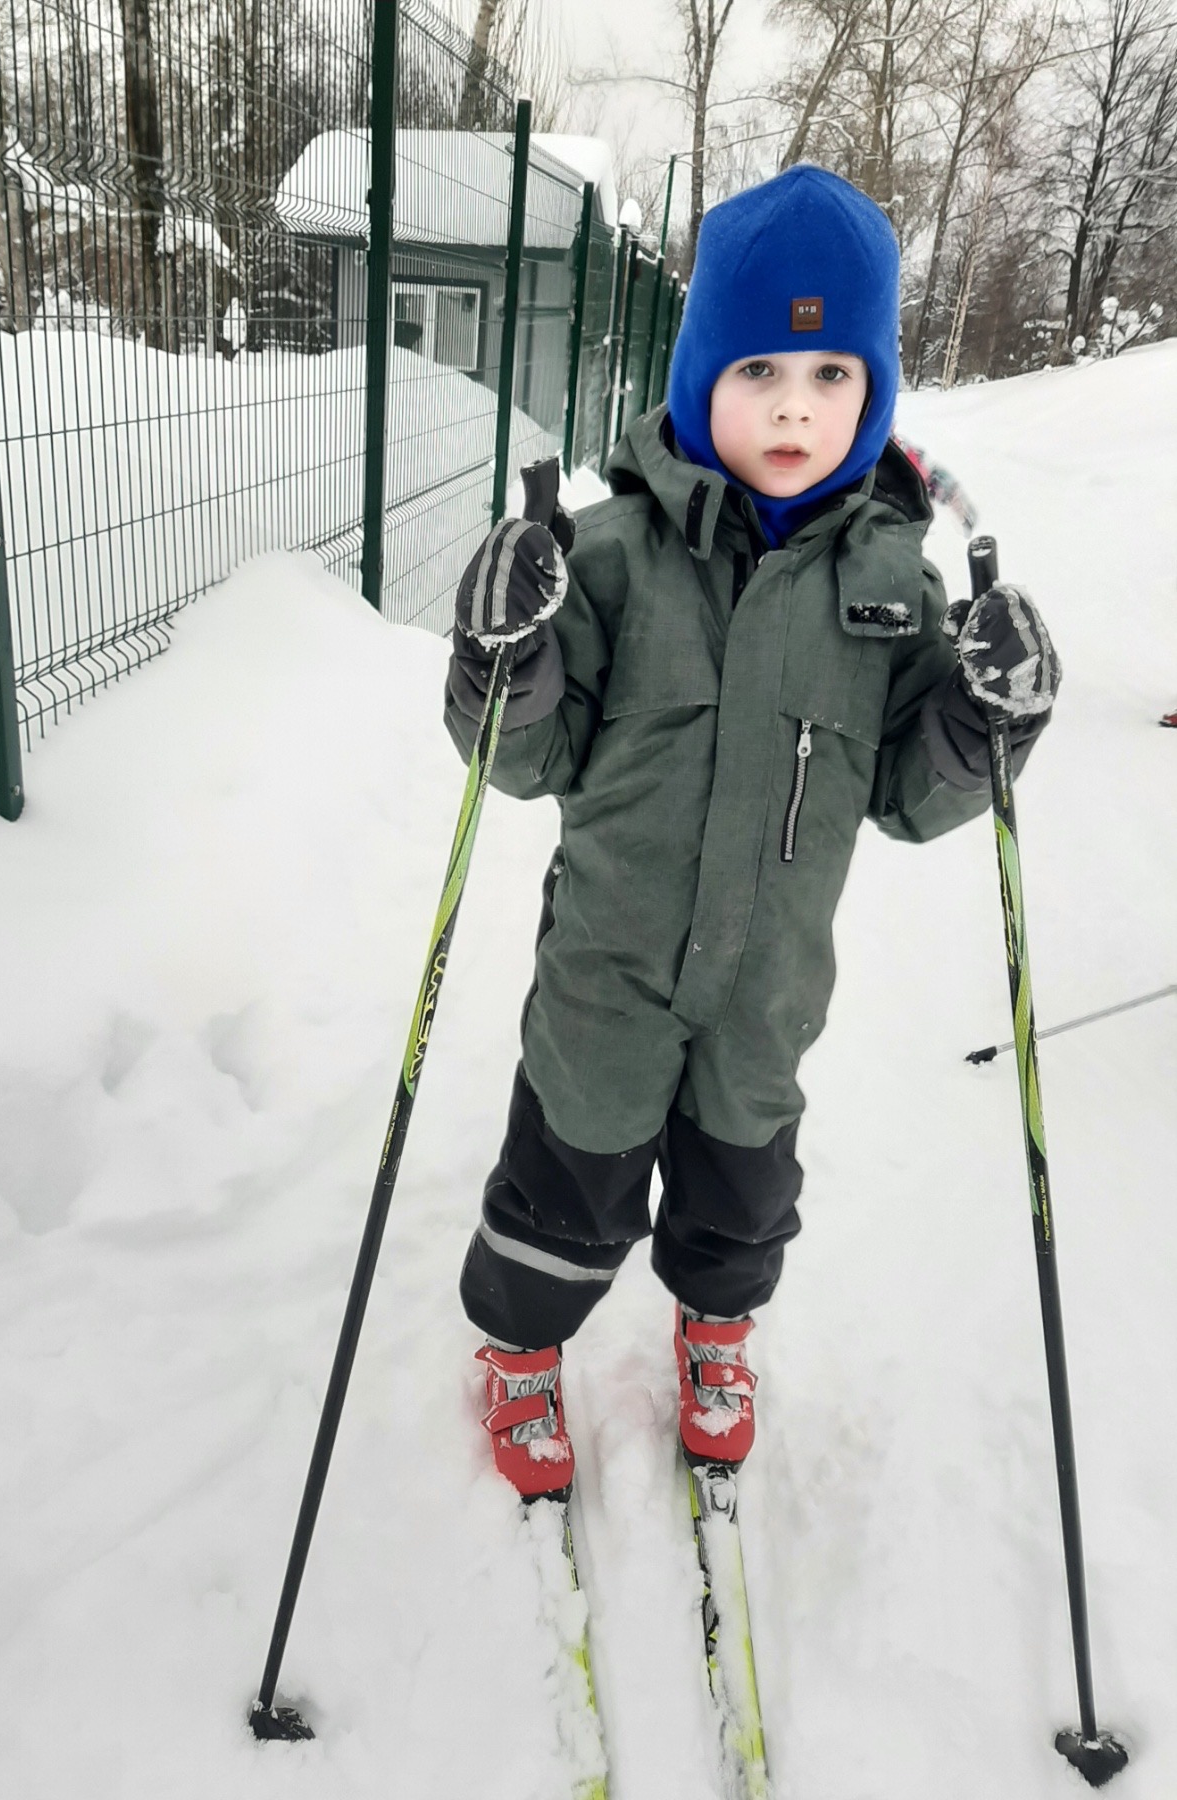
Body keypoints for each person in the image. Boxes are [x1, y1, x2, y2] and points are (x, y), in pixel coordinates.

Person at [444, 165, 1061, 1501]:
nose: (794, 405)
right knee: (566, 1186)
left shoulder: (892, 588)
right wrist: (505, 655)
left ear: (874, 391)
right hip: (607, 977)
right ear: (698, 377)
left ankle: (714, 1331)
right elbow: (524, 753)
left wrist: (981, 724)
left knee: (739, 1197)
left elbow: (907, 793)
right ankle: (520, 1345)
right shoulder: (609, 555)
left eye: (832, 372)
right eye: (760, 369)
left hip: (765, 992)